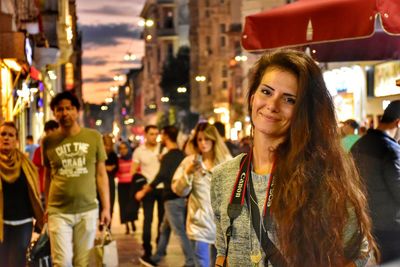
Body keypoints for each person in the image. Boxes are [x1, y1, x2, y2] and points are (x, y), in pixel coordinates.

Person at [210, 49, 378, 267]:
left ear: (304, 112)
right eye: (266, 92)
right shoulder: (224, 176)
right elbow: (223, 252)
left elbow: (359, 254)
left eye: (289, 100)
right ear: (252, 98)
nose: (272, 105)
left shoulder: (322, 178)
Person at [42, 91, 110, 266]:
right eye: (60, 109)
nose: (65, 113)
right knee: (61, 262)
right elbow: (48, 176)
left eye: (69, 108)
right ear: (54, 113)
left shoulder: (93, 137)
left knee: (82, 262)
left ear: (77, 111)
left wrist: (106, 208)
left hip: (87, 210)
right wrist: (47, 205)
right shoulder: (48, 142)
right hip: (58, 211)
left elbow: (101, 174)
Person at [172, 122, 231, 267]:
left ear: (214, 139)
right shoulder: (189, 162)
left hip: (223, 227)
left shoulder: (227, 162)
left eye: (207, 139)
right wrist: (188, 173)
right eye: (199, 139)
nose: (203, 143)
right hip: (200, 226)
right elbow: (179, 190)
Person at [136, 125, 195, 267]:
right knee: (165, 228)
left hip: (171, 198)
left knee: (179, 231)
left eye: (162, 135)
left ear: (167, 136)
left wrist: (144, 190)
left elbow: (161, 176)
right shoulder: (182, 155)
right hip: (180, 197)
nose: (160, 137)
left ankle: (191, 261)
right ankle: (157, 256)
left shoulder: (168, 157)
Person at [351, 100, 400, 263]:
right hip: (391, 231)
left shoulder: (358, 145)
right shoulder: (391, 150)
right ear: (398, 123)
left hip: (363, 226)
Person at [0, 121, 44, 267]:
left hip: (23, 223)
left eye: (10, 135)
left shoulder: (26, 164)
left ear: (17, 141)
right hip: (1, 224)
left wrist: (40, 217)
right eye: (3, 134)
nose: (6, 138)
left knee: (18, 262)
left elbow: (34, 192)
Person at [130, 125, 163, 261]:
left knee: (162, 221)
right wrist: (140, 184)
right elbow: (133, 172)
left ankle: (160, 247)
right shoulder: (139, 151)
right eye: (151, 134)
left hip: (162, 188)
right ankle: (147, 249)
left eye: (156, 134)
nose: (154, 136)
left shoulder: (163, 149)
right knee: (147, 220)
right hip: (147, 189)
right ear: (145, 135)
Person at [32, 120, 59, 202]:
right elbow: (35, 170)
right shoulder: (40, 150)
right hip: (45, 189)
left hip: (57, 188)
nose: (48, 135)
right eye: (47, 132)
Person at [116, 141, 136, 234]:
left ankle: (132, 222)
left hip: (131, 185)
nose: (123, 150)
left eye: (125, 148)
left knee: (131, 205)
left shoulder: (133, 159)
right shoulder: (118, 161)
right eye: (121, 148)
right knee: (123, 205)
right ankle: (127, 225)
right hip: (122, 185)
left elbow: (137, 170)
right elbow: (117, 173)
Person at [102, 135, 118, 227]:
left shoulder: (113, 155)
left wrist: (107, 168)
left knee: (110, 203)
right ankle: (102, 222)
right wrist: (106, 168)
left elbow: (115, 168)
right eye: (105, 144)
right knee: (100, 203)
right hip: (98, 181)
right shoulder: (98, 154)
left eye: (108, 144)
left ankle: (108, 225)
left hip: (110, 180)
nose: (107, 147)